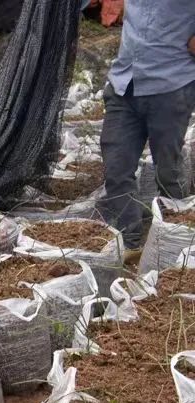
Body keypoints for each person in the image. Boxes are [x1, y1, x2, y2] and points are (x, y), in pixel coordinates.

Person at [97, 1, 195, 259]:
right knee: (116, 167)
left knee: (167, 172)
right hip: (124, 83)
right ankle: (130, 242)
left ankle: (175, 245)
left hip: (170, 86)